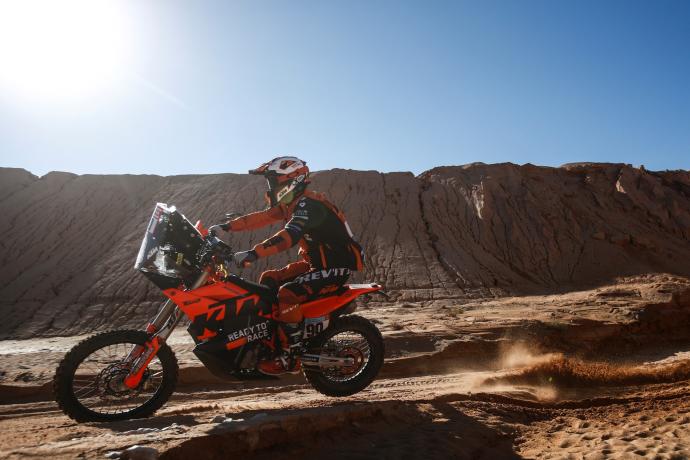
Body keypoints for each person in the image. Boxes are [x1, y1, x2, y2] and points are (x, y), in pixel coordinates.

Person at [221, 156, 364, 375]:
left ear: (293, 179)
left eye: (274, 180)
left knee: (287, 293)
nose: (271, 186)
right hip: (314, 265)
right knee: (269, 278)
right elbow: (260, 218)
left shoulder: (310, 204)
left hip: (334, 268)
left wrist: (254, 253)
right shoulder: (292, 204)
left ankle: (290, 356)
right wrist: (225, 228)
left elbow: (290, 235)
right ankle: (270, 341)